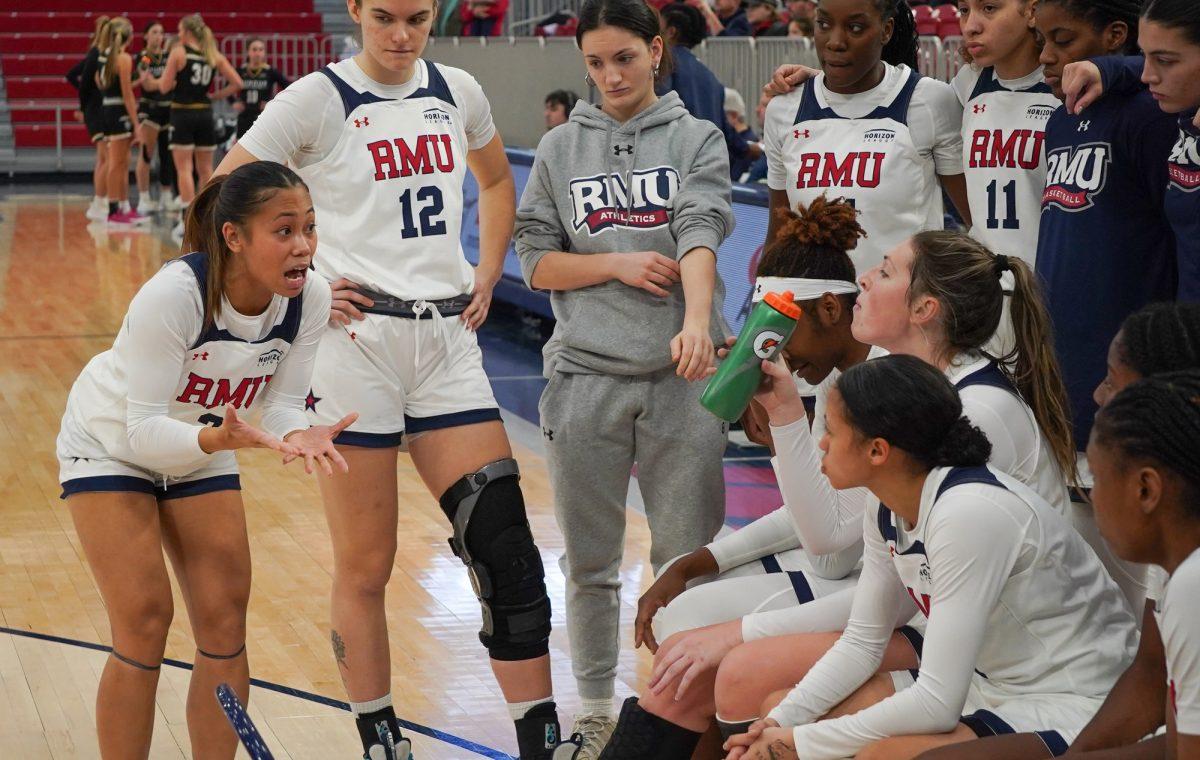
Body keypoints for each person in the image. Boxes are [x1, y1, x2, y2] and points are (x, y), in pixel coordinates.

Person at [214, 0, 579, 757]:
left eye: (416, 17)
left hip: (447, 340)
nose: (401, 34)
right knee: (368, 563)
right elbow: (222, 195)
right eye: (384, 16)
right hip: (356, 348)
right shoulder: (318, 97)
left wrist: (486, 271)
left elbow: (496, 182)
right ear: (354, 10)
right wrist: (303, 281)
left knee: (505, 545)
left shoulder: (458, 90)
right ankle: (382, 737)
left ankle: (540, 740)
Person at [602, 230, 1081, 758]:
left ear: (924, 308)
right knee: (707, 652)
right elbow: (843, 537)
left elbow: (836, 554)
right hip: (930, 615)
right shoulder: (886, 384)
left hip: (989, 648)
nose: (865, 279)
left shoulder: (972, 412)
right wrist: (782, 422)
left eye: (885, 271)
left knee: (731, 663)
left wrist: (741, 637)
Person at [56, 161, 350, 759]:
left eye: (310, 229)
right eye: (284, 230)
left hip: (206, 438)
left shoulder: (309, 297)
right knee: (143, 619)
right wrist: (216, 441)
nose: (303, 247)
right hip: (112, 439)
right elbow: (141, 432)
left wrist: (305, 432)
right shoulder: (177, 293)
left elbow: (286, 403)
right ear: (234, 237)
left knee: (223, 624)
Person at [712, 356, 1135, 760]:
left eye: (832, 431)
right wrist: (777, 723)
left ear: (877, 450)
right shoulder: (885, 504)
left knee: (881, 754)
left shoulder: (968, 513)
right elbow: (862, 642)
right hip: (986, 682)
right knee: (779, 705)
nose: (820, 443)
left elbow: (936, 702)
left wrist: (799, 742)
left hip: (1074, 695)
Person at [513, 0, 735, 752]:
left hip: (682, 378)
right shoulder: (557, 150)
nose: (610, 76)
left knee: (685, 559)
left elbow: (702, 227)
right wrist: (613, 261)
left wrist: (697, 321)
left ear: (656, 49)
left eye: (625, 59)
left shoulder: (696, 137)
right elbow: (535, 260)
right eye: (597, 64)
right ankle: (598, 708)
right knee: (591, 563)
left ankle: (673, 712)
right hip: (584, 376)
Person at [917, 302, 1200, 759]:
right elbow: (1150, 681)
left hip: (1071, 690)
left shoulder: (1193, 580)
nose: (1097, 394)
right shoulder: (1180, 549)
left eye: (1112, 378)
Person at [1034, 0, 1178, 491]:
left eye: (1063, 40)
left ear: (1115, 36)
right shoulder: (1060, 119)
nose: (1047, 57)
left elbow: (1178, 236)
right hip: (1059, 343)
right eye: (1042, 41)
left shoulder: (1151, 116)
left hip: (1122, 341)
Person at [760, 0, 970, 274]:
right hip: (812, 309)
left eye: (855, 27)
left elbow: (976, 220)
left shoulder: (929, 102)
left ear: (886, 30)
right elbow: (780, 232)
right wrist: (762, 305)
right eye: (823, 24)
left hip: (901, 308)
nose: (835, 42)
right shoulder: (785, 109)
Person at [1080, 371, 1200, 760]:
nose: (1092, 497)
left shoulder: (1192, 585)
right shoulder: (1180, 566)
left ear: (1146, 489)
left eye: (1096, 479)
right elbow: (1174, 744)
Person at [1058, 0, 1200, 302]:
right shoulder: (1183, 112)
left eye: (1164, 60)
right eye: (1144, 55)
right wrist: (1108, 68)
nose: (1147, 75)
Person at [952, 0, 1057, 267]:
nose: (971, 27)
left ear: (1032, 11)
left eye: (989, 8)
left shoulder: (1063, 84)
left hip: (1047, 282)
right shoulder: (968, 82)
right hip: (989, 285)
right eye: (964, 10)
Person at [146, 14, 242, 238]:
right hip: (205, 113)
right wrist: (215, 95)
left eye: (180, 30)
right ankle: (209, 218)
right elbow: (237, 82)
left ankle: (187, 221)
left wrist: (152, 82)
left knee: (184, 169)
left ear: (187, 32)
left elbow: (165, 87)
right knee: (206, 169)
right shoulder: (212, 54)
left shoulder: (179, 52)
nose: (178, 34)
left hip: (182, 113)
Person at [658, 3, 761, 180]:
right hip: (706, 174)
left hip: (668, 171)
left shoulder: (663, 64)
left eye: (657, 26)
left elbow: (657, 112)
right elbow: (724, 130)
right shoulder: (711, 78)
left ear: (670, 32)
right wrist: (748, 149)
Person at [95, 17, 149, 227]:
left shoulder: (104, 56)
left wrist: (136, 81)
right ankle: (113, 210)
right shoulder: (124, 58)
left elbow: (100, 83)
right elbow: (127, 95)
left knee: (121, 162)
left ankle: (124, 207)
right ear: (128, 36)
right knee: (117, 163)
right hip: (119, 112)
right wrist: (136, 124)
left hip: (108, 108)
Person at [67, 16, 111, 222]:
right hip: (95, 110)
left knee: (103, 158)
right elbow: (80, 82)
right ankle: (100, 201)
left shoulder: (102, 55)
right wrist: (84, 107)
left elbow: (73, 76)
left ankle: (100, 201)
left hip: (99, 110)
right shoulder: (95, 54)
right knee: (105, 158)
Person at [134, 21, 174, 216]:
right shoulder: (144, 57)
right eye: (155, 32)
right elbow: (147, 85)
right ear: (146, 36)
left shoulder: (168, 57)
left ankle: (166, 196)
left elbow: (174, 82)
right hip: (150, 109)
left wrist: (160, 82)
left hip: (169, 109)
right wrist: (165, 82)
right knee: (146, 154)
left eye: (161, 32)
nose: (159, 36)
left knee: (167, 155)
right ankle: (143, 197)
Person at [233, 38, 291, 140]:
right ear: (248, 52)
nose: (257, 53)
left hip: (263, 117)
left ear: (264, 52)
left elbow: (288, 88)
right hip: (244, 116)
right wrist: (233, 102)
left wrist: (272, 103)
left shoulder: (270, 71)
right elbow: (226, 87)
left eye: (261, 50)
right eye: (254, 49)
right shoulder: (240, 70)